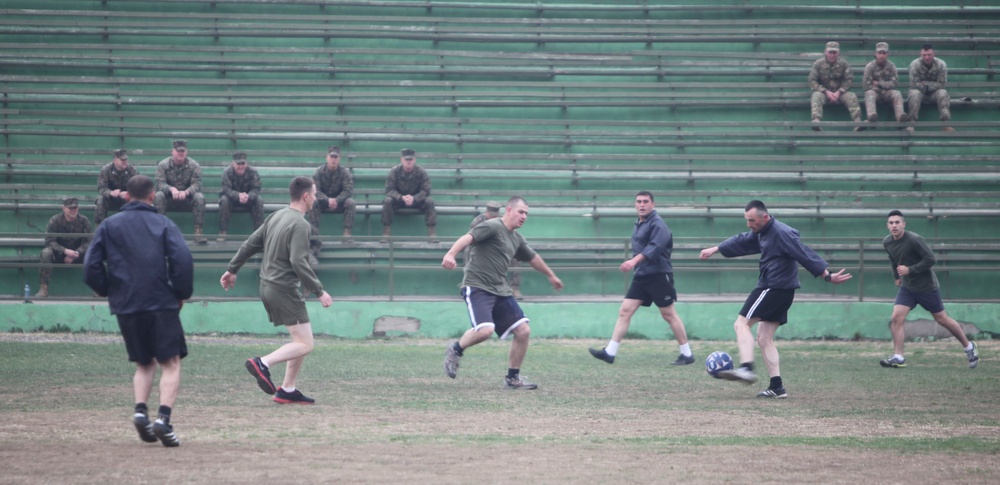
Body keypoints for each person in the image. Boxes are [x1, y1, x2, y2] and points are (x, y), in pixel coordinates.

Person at [699, 200, 852, 399]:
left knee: (741, 324)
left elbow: (803, 253)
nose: (749, 224)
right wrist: (716, 248)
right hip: (783, 290)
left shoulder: (781, 233)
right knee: (764, 338)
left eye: (752, 220)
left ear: (765, 217)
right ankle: (777, 387)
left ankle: (746, 367)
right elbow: (742, 240)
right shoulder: (762, 231)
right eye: (747, 220)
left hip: (773, 286)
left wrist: (827, 275)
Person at [83, 174, 194, 448]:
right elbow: (182, 260)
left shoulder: (109, 225)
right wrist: (181, 294)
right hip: (160, 302)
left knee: (144, 362)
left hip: (127, 304)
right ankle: (163, 420)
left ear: (126, 196)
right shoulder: (163, 223)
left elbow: (90, 265)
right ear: (152, 194)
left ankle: (140, 411)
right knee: (170, 363)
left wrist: (108, 289)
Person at [221, 176, 333, 405]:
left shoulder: (277, 215)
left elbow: (251, 243)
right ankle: (262, 363)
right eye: (315, 193)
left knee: (300, 339)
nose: (316, 197)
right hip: (283, 288)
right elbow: (299, 262)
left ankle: (288, 389)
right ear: (306, 196)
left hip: (267, 285)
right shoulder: (301, 224)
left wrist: (232, 268)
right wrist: (319, 290)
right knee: (306, 344)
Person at [441, 196, 564, 390]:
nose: (524, 216)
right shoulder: (492, 226)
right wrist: (450, 254)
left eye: (526, 214)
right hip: (478, 286)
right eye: (520, 212)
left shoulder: (516, 238)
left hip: (500, 289)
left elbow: (533, 257)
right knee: (485, 330)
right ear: (508, 210)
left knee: (523, 330)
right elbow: (468, 237)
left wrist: (551, 275)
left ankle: (512, 378)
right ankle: (455, 349)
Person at [589, 191, 694, 366]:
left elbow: (655, 247)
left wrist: (633, 261)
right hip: (642, 276)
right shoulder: (639, 223)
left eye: (646, 201)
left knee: (669, 314)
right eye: (639, 201)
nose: (642, 204)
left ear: (653, 204)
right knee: (625, 311)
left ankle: (687, 354)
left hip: (659, 275)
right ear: (635, 204)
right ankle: (610, 352)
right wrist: (636, 265)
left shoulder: (658, 225)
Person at [880, 210, 978, 369]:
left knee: (942, 319)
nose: (894, 225)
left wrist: (910, 270)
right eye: (891, 223)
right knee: (897, 317)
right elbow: (893, 259)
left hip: (926, 287)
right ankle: (898, 357)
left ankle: (969, 346)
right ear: (887, 225)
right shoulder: (887, 242)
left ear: (904, 224)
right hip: (908, 287)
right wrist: (897, 276)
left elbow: (931, 259)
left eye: (897, 222)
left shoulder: (914, 240)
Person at [35, 197, 92, 298]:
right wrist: (65, 251)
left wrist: (76, 253)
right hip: (59, 254)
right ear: (63, 208)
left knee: (94, 254)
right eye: (71, 208)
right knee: (46, 253)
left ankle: (97, 290)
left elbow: (88, 242)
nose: (73, 211)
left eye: (75, 208)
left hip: (78, 255)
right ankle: (43, 289)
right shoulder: (55, 220)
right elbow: (49, 241)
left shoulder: (84, 221)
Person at [154, 139, 207, 244]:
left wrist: (186, 192)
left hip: (187, 199)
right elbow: (159, 183)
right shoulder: (163, 165)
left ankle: (198, 233)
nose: (180, 153)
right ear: (172, 151)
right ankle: (160, 232)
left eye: (182, 151)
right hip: (169, 199)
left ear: (186, 152)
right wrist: (171, 189)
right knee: (158, 195)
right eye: (178, 151)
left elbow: (197, 184)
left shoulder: (194, 165)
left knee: (199, 197)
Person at [467, 200, 522, 299]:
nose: (493, 217)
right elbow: (472, 239)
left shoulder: (504, 221)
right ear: (486, 213)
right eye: (491, 215)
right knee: (469, 252)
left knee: (516, 258)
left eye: (495, 215)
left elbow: (511, 237)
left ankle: (515, 288)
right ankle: (470, 284)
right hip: (482, 250)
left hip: (499, 249)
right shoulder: (478, 221)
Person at [382, 148, 436, 242]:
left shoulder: (421, 171)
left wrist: (414, 198)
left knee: (429, 202)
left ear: (414, 160)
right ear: (401, 160)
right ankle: (386, 233)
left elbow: (426, 190)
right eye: (406, 160)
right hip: (399, 201)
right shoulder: (394, 171)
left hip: (416, 201)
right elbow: (389, 189)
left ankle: (431, 234)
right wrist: (401, 197)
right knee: (387, 201)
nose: (408, 162)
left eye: (410, 160)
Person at [310, 145, 356, 255]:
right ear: (327, 157)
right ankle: (314, 235)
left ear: (339, 159)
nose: (333, 159)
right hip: (323, 202)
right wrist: (327, 200)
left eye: (336, 157)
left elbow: (348, 190)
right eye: (331, 157)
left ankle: (346, 234)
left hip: (338, 202)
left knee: (351, 203)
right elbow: (315, 190)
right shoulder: (319, 172)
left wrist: (337, 200)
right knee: (313, 202)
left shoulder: (344, 173)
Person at [808, 41, 863, 131]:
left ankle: (857, 122)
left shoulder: (843, 64)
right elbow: (812, 80)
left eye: (835, 52)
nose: (832, 55)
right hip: (824, 92)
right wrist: (825, 91)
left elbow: (849, 80)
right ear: (825, 52)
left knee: (852, 96)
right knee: (816, 96)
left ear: (838, 53)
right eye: (830, 52)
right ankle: (816, 121)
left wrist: (840, 91)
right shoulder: (818, 64)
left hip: (840, 92)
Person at [217, 151, 264, 243]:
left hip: (248, 199)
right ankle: (222, 233)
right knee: (224, 200)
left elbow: (256, 188)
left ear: (246, 164)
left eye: (243, 163)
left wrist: (248, 196)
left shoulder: (253, 172)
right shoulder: (227, 172)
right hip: (232, 200)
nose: (241, 166)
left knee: (259, 200)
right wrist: (238, 195)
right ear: (233, 164)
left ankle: (259, 235)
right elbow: (226, 189)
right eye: (238, 164)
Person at [862, 42, 910, 126]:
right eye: (879, 53)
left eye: (884, 53)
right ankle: (871, 116)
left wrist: (879, 84)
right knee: (869, 93)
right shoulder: (869, 67)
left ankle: (900, 116)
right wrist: (879, 88)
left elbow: (894, 83)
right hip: (875, 92)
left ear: (887, 54)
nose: (881, 55)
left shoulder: (891, 66)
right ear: (875, 54)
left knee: (897, 93)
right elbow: (866, 85)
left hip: (887, 93)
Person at [908, 44, 953, 132]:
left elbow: (942, 84)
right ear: (920, 54)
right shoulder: (914, 64)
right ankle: (911, 124)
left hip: (934, 93)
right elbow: (913, 84)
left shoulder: (941, 64)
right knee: (914, 93)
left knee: (943, 93)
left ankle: (945, 124)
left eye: (929, 55)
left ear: (934, 54)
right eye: (924, 55)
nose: (927, 57)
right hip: (920, 92)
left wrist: (925, 84)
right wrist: (932, 84)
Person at [95, 148, 139, 225]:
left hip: (125, 198)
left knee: (134, 201)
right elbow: (101, 188)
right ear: (115, 160)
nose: (125, 162)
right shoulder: (106, 170)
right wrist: (111, 193)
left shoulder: (131, 170)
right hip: (110, 198)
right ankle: (100, 226)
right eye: (122, 160)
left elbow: (137, 186)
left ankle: (129, 226)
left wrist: (128, 193)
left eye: (126, 160)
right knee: (100, 200)